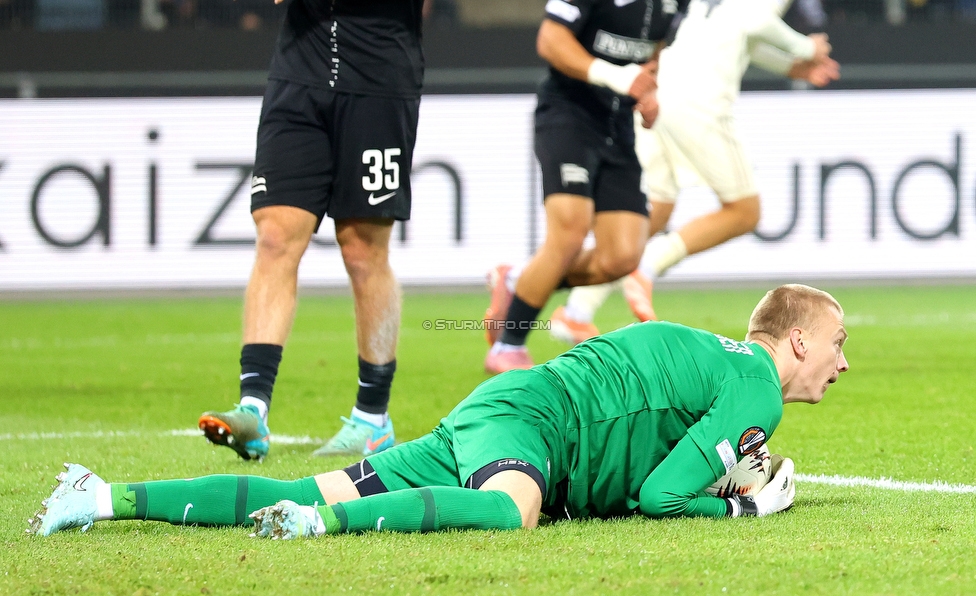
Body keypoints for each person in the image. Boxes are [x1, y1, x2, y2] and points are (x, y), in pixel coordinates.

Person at [30, 284, 849, 539]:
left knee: (320, 484)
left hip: (507, 408)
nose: (844, 364)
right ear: (799, 341)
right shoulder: (754, 388)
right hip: (534, 420)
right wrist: (739, 503)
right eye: (839, 344)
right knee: (511, 511)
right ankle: (320, 531)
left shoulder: (720, 360)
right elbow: (660, 495)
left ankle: (102, 496)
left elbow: (644, 458)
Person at [197, 0, 425, 462]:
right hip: (299, 73)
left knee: (363, 250)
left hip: (378, 80)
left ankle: (372, 419)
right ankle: (253, 408)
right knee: (276, 236)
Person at [548, 0, 841, 345]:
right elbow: (753, 18)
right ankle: (648, 268)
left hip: (659, 96)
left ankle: (570, 309)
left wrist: (792, 67)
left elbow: (734, 31)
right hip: (699, 105)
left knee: (653, 213)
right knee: (744, 212)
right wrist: (806, 47)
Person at [481, 0, 684, 375]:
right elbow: (550, 39)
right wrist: (615, 76)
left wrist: (647, 88)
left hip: (617, 125)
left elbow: (653, 49)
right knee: (570, 231)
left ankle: (516, 280)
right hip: (567, 116)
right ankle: (508, 345)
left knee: (622, 256)